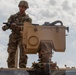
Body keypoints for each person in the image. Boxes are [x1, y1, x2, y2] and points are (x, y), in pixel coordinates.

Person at [2, 0, 32, 68]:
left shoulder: (28, 19)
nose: (22, 9)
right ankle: (11, 68)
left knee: (23, 52)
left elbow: (28, 29)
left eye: (24, 7)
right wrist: (6, 27)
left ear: (26, 8)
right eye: (21, 7)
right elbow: (7, 25)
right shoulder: (13, 17)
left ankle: (22, 68)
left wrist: (17, 27)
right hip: (13, 36)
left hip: (22, 36)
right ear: (19, 7)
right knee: (11, 52)